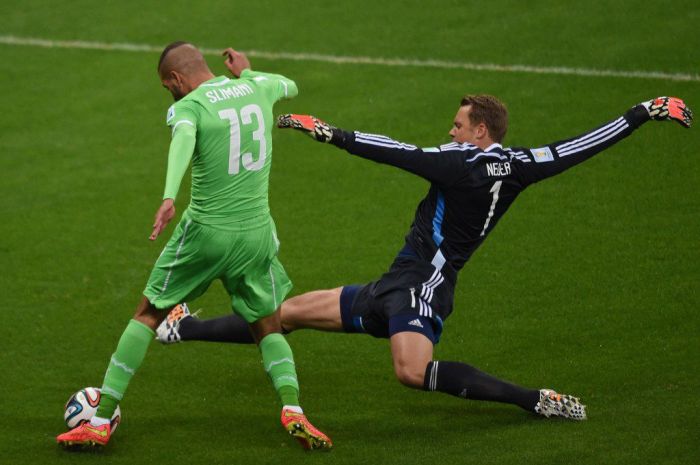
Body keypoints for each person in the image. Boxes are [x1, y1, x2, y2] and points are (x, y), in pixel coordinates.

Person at [157, 94, 693, 420]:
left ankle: (533, 399)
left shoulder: (459, 163)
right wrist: (641, 113)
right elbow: (576, 147)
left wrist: (331, 133)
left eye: (458, 125)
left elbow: (398, 152)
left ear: (480, 132)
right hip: (397, 280)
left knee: (410, 372)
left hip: (423, 286)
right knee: (285, 314)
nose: (450, 132)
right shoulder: (519, 165)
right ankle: (182, 327)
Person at [56, 43, 332, 451]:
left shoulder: (190, 106)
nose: (169, 93)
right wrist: (247, 74)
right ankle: (293, 409)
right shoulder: (259, 86)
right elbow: (290, 85)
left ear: (176, 79)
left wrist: (169, 196)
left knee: (148, 313)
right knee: (267, 326)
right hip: (256, 234)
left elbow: (183, 138)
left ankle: (98, 421)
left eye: (166, 86)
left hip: (207, 233)